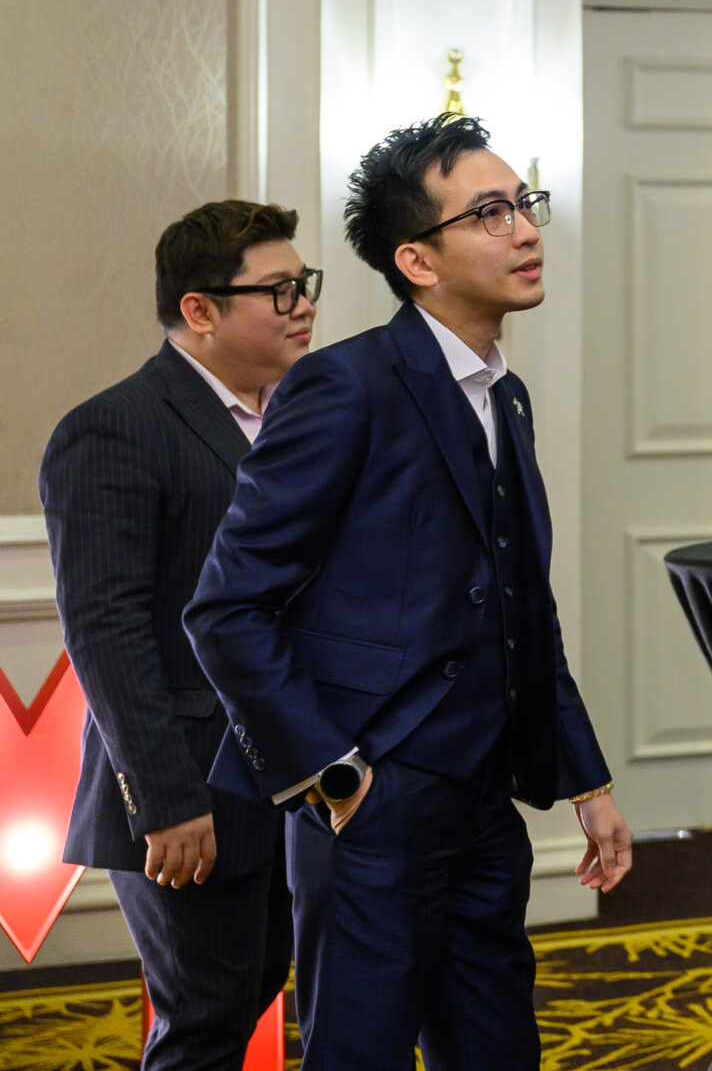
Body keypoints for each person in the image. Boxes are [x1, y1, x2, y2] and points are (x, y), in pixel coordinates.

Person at [185, 115, 633, 1071]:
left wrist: (587, 779)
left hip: (485, 799)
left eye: (525, 204)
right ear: (418, 260)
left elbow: (523, 606)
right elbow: (226, 609)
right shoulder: (344, 386)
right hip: (374, 804)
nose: (527, 230)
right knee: (361, 1054)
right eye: (491, 212)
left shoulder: (505, 395)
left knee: (498, 1050)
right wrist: (334, 779)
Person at [40, 201, 315, 1070]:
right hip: (186, 787)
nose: (304, 304)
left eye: (304, 283)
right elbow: (107, 629)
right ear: (200, 309)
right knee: (204, 1020)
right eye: (278, 289)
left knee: (257, 981)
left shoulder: (300, 415)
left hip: (291, 778)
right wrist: (164, 797)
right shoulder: (115, 425)